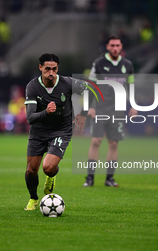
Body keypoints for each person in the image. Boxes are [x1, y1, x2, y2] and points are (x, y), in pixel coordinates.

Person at [23, 53, 91, 210]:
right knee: (31, 171)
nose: (51, 73)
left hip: (61, 130)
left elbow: (89, 90)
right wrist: (46, 111)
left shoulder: (67, 82)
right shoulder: (32, 87)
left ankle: (51, 175)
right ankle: (33, 199)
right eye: (47, 69)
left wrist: (83, 114)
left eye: (54, 69)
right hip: (38, 131)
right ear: (40, 68)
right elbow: (30, 118)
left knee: (47, 167)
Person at [83, 35, 137, 187]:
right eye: (112, 45)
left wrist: (134, 105)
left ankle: (109, 179)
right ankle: (90, 178)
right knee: (96, 141)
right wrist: (90, 106)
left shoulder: (127, 65)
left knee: (113, 143)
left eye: (117, 45)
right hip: (100, 108)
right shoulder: (99, 63)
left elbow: (130, 87)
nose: (115, 48)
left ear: (121, 47)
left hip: (118, 109)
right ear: (107, 46)